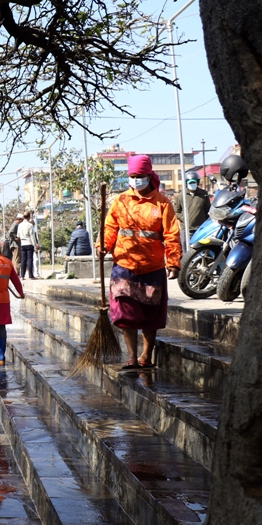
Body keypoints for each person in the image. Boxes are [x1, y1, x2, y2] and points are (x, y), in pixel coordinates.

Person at [98, 154, 182, 369]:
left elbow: (172, 234)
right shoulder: (121, 200)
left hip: (152, 267)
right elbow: (110, 228)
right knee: (126, 313)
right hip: (124, 266)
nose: (136, 180)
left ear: (149, 176)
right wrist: (103, 245)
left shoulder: (162, 203)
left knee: (150, 315)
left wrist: (173, 261)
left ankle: (146, 356)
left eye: (140, 176)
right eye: (132, 176)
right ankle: (132, 357)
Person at [172, 169, 211, 240]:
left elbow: (208, 210)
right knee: (186, 249)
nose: (192, 184)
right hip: (186, 229)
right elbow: (176, 211)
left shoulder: (203, 194)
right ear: (186, 183)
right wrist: (184, 218)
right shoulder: (181, 195)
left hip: (200, 228)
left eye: (194, 182)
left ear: (197, 183)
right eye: (190, 182)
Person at [16, 211, 39, 279]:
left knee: (23, 260)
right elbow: (32, 236)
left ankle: (22, 275)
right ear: (29, 217)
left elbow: (18, 235)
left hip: (23, 243)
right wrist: (35, 245)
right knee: (30, 260)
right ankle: (30, 275)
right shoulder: (30, 225)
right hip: (29, 243)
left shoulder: (20, 225)